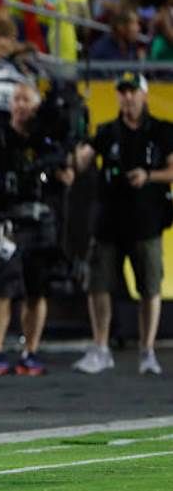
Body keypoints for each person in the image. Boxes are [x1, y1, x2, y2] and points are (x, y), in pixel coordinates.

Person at [0, 83, 73, 376]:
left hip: (41, 221)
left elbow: (67, 176)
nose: (21, 105)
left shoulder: (47, 141)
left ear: (36, 106)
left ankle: (30, 353)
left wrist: (59, 163)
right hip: (7, 222)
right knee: (1, 289)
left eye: (26, 99)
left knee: (37, 291)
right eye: (17, 100)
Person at [72, 73, 173, 376]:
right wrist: (78, 141)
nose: (127, 97)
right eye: (123, 92)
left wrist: (148, 176)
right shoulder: (106, 131)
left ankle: (147, 351)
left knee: (150, 287)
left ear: (144, 94)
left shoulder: (162, 130)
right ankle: (101, 348)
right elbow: (82, 162)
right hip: (108, 221)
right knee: (98, 285)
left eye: (133, 91)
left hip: (146, 221)